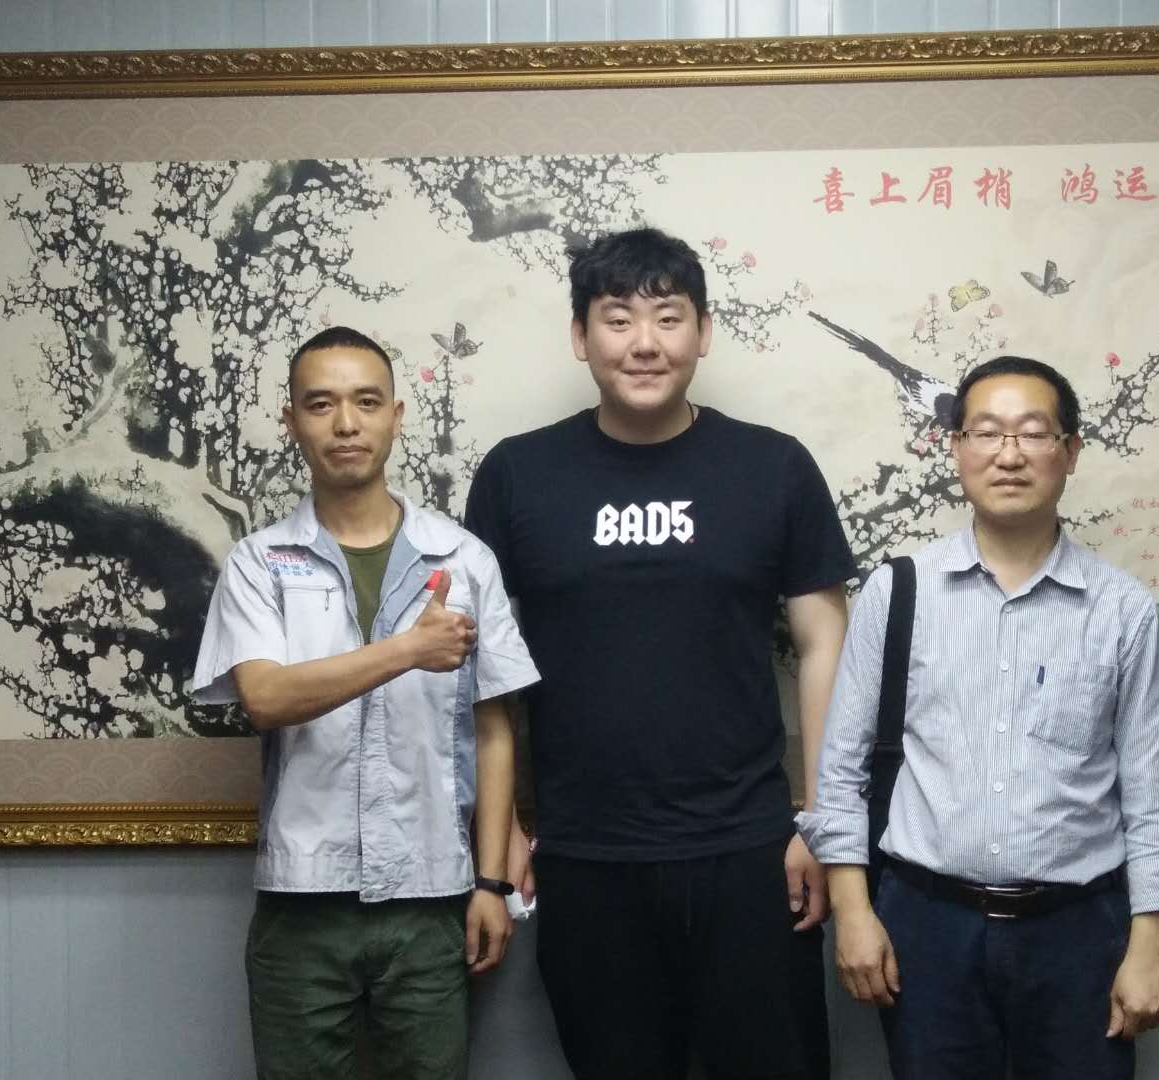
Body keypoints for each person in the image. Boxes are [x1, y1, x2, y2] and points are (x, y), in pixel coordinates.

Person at [463, 227, 855, 1080]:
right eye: (617, 319)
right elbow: (485, 666)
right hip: (584, 854)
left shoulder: (774, 467)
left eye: (668, 318)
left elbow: (826, 645)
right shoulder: (517, 474)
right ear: (581, 337)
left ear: (703, 333)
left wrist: (822, 823)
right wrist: (507, 829)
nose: (645, 342)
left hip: (752, 851)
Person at [798, 355, 1159, 1079]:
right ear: (956, 448)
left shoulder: (1124, 611)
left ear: (1070, 452)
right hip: (925, 925)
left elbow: (1154, 793)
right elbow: (842, 771)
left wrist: (1152, 946)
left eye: (1034, 433)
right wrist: (854, 914)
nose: (1008, 454)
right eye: (985, 432)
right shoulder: (898, 592)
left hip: (1079, 931)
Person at [192, 325, 539, 1080]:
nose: (345, 424)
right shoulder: (260, 562)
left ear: (396, 415)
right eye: (321, 404)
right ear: (291, 421)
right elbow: (265, 697)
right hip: (302, 899)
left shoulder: (464, 559)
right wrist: (408, 649)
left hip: (433, 893)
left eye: (366, 402)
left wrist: (491, 883)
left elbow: (493, 729)